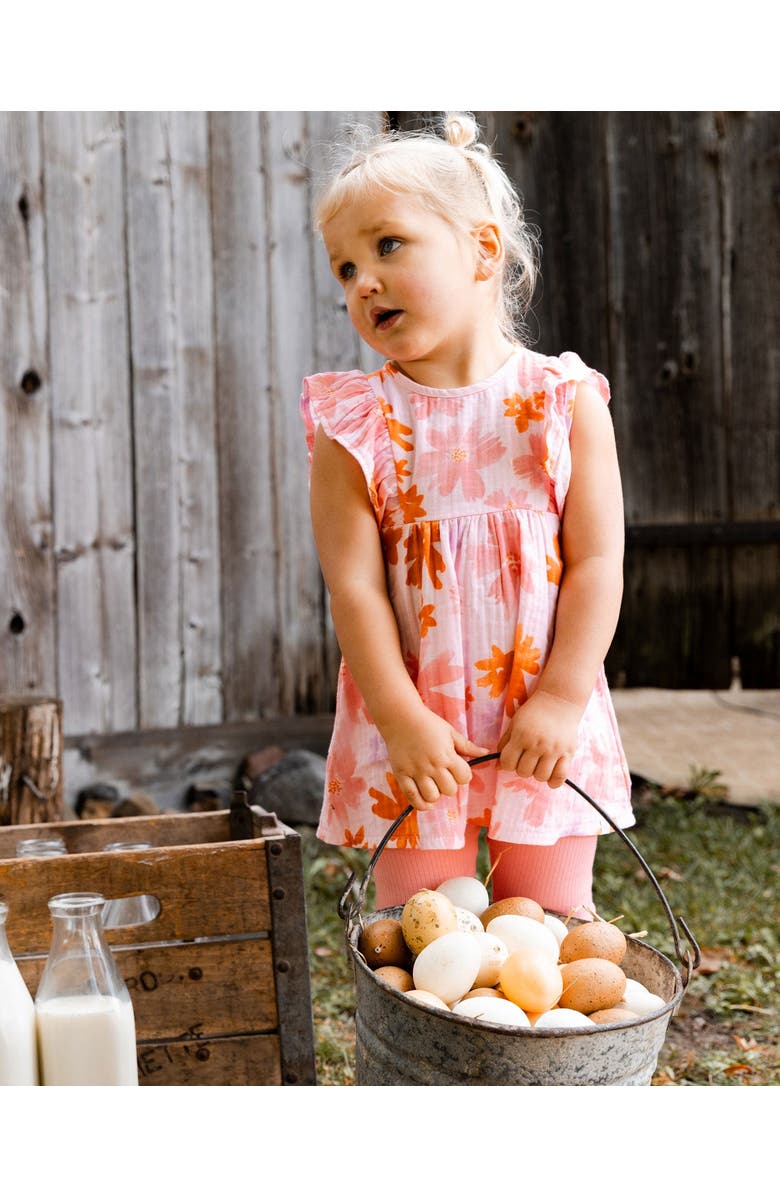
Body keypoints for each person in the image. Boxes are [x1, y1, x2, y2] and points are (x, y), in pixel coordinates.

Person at [301, 112, 633, 919]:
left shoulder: (563, 403)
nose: (362, 282)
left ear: (483, 251)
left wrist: (560, 699)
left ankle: (544, 1052)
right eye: (343, 268)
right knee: (423, 941)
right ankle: (427, 1051)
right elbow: (355, 590)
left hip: (542, 717)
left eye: (387, 246)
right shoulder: (356, 425)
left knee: (546, 936)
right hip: (414, 728)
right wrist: (402, 720)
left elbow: (597, 564)